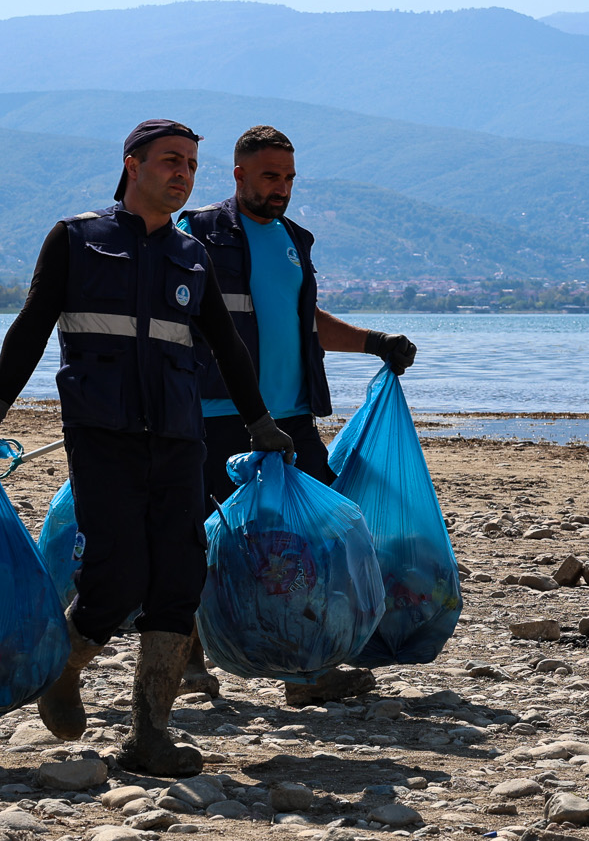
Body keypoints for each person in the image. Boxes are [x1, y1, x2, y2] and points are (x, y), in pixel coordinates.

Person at [0, 118, 294, 778]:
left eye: (191, 164)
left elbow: (228, 347)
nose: (183, 174)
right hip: (101, 435)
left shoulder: (192, 256)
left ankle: (148, 735)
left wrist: (260, 422)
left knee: (179, 577)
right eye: (170, 161)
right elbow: (29, 329)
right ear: (132, 166)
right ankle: (65, 667)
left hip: (177, 437)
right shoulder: (78, 240)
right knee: (117, 573)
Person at [179, 124, 417, 706]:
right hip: (216, 417)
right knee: (199, 546)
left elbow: (303, 318)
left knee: (314, 544)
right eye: (269, 176)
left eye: (288, 177)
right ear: (238, 174)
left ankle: (305, 672)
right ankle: (188, 669)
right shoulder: (198, 233)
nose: (281, 188)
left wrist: (374, 341)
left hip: (289, 419)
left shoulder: (293, 240)